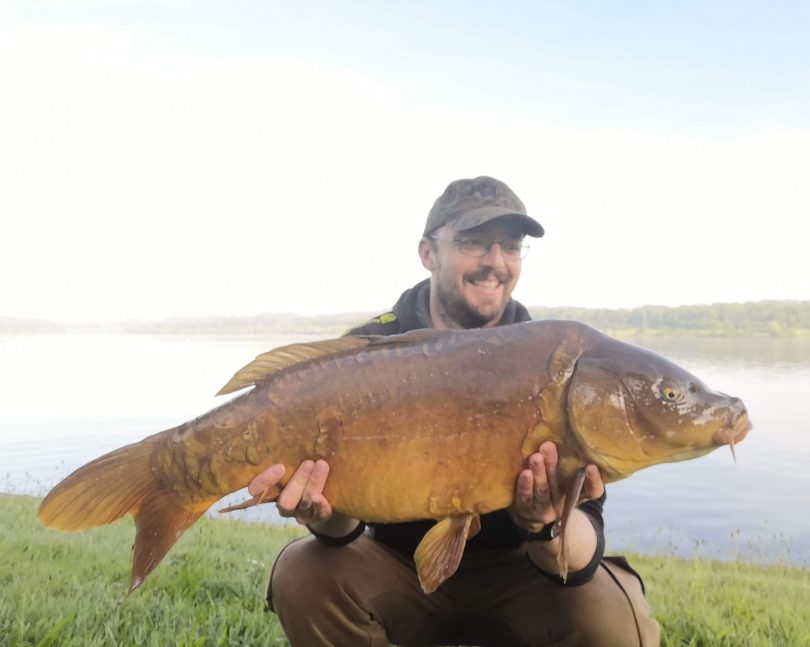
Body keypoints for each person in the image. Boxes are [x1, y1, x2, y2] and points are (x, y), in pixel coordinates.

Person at [249, 176, 661, 646]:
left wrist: (545, 524)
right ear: (428, 253)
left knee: (613, 614)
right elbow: (342, 531)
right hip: (397, 571)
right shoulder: (367, 354)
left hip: (522, 574)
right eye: (473, 242)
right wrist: (322, 512)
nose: (495, 261)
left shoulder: (553, 363)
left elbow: (581, 558)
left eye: (511, 246)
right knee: (303, 573)